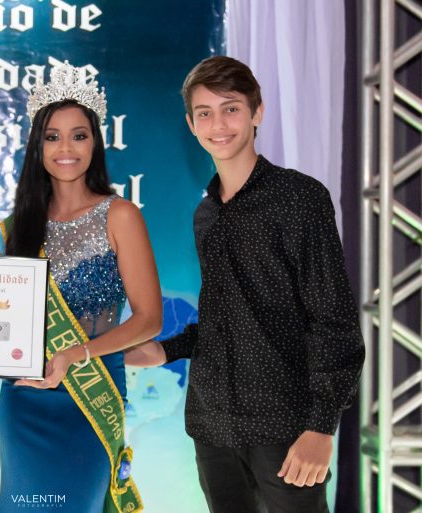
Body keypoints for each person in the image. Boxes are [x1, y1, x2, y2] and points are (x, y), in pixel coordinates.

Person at [151, 56, 365, 513]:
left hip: (284, 426)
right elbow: (227, 319)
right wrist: (165, 350)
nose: (218, 125)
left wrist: (321, 427)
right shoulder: (206, 213)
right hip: (212, 426)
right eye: (205, 113)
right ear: (191, 124)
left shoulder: (299, 197)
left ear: (257, 112)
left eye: (230, 108)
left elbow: (334, 319)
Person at [0, 62, 163, 513]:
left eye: (79, 135)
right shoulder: (18, 227)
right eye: (52, 136)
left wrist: (76, 354)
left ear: (95, 143)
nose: (65, 148)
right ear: (38, 146)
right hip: (24, 400)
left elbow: (149, 319)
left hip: (90, 397)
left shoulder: (120, 215)